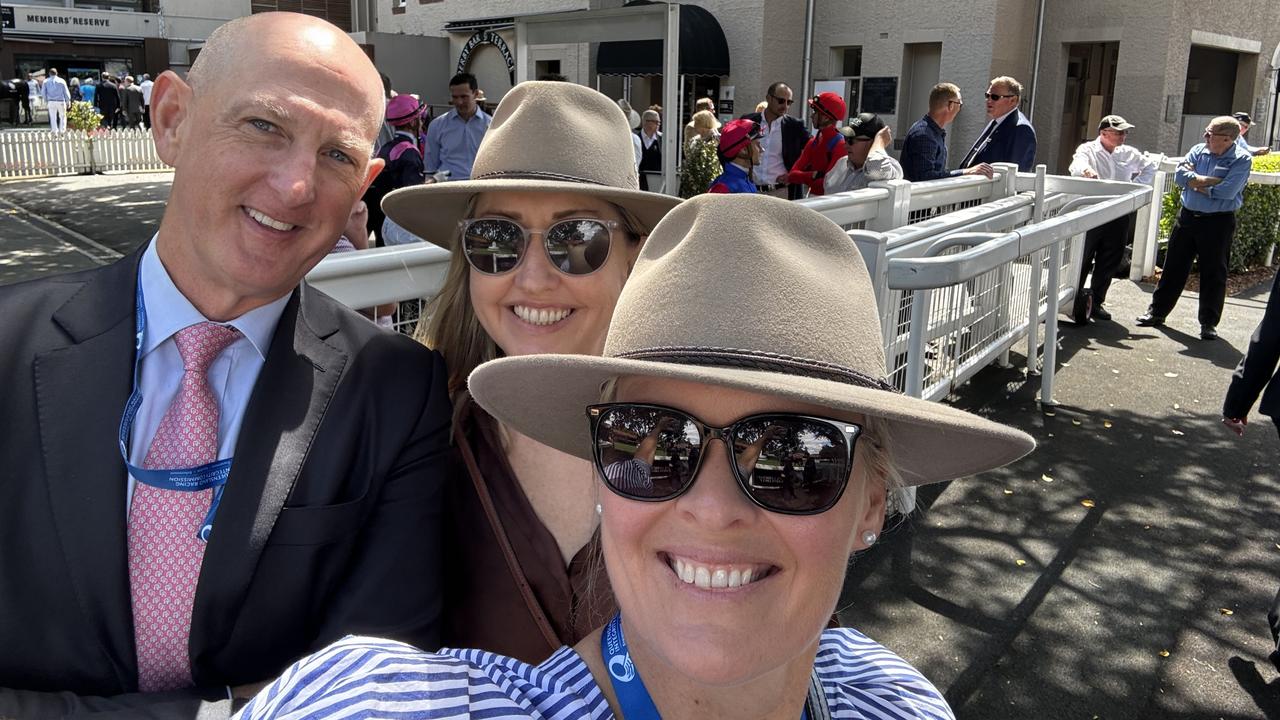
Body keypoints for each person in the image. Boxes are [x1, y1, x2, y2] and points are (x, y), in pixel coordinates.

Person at [239, 192, 1035, 720]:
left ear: (870, 503)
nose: (714, 508)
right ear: (600, 479)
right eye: (652, 444)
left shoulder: (896, 702)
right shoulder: (380, 704)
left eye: (793, 455)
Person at [0, 12, 451, 717]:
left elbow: (372, 693)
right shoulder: (8, 348)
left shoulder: (394, 393)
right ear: (172, 119)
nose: (297, 185)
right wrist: (216, 711)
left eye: (336, 156)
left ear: (364, 183)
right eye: (264, 126)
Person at [382, 80, 680, 664]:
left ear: (634, 253)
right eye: (496, 238)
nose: (534, 278)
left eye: (578, 239)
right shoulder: (422, 430)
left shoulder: (703, 434)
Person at [1137, 116, 1253, 340]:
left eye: (1210, 134)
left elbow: (1227, 192)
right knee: (1173, 267)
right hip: (1188, 217)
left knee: (1214, 272)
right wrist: (1211, 181)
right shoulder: (1198, 150)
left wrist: (1196, 182)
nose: (1205, 137)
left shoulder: (1241, 159)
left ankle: (1208, 323)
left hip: (1218, 222)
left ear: (1228, 139)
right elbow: (1181, 177)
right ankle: (1157, 312)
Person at [1067, 114, 1157, 322]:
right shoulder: (1088, 149)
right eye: (1118, 132)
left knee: (1110, 259)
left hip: (1119, 212)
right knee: (1082, 256)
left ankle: (1096, 302)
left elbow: (1150, 166)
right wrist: (1087, 171)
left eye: (1124, 132)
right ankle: (1073, 299)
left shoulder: (1128, 153)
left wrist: (1134, 189)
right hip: (1092, 210)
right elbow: (1077, 164)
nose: (1123, 136)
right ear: (1103, 133)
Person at [362, 92, 427, 242]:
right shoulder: (409, 152)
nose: (422, 122)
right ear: (412, 123)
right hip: (398, 221)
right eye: (419, 119)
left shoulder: (384, 148)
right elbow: (412, 194)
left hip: (380, 216)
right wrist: (434, 181)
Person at [900, 82, 994, 181]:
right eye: (960, 104)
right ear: (951, 105)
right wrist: (966, 172)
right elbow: (925, 178)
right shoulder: (924, 134)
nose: (959, 109)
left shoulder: (931, 131)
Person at [743, 82, 809, 198]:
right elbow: (728, 149)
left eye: (789, 102)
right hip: (751, 191)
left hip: (781, 192)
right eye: (781, 101)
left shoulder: (795, 126)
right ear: (768, 98)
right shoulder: (748, 121)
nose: (785, 106)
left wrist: (793, 175)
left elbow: (812, 153)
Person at [959, 76, 1037, 172]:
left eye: (995, 97)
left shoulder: (1021, 129)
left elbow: (1016, 174)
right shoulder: (996, 122)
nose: (989, 100)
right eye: (987, 96)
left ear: (1013, 100)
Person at [424, 72, 491, 182]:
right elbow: (430, 164)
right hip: (447, 187)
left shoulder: (490, 126)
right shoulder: (437, 125)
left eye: (464, 97)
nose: (459, 102)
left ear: (475, 94)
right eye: (455, 97)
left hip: (480, 186)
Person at [786, 91, 848, 197]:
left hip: (828, 202)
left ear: (826, 117)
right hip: (812, 198)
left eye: (815, 111)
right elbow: (792, 175)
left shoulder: (840, 145)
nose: (811, 116)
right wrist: (813, 175)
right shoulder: (813, 142)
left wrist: (806, 177)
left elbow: (827, 184)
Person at [825, 112, 904, 193]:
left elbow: (875, 168)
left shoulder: (890, 167)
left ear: (873, 142)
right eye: (846, 138)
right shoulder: (841, 163)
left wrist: (880, 140)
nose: (846, 146)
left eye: (851, 140)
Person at [708, 118, 761, 193]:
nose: (762, 150)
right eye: (758, 145)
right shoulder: (723, 187)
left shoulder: (745, 179)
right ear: (743, 150)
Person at [637, 108, 663, 191]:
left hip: (657, 183)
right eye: (655, 122)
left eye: (659, 122)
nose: (658, 125)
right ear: (645, 122)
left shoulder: (663, 139)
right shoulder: (636, 138)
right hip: (639, 182)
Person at [41, 67, 70, 133]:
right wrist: (68, 101)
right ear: (57, 73)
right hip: (61, 101)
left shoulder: (45, 81)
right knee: (62, 116)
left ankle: (54, 131)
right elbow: (66, 92)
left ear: (49, 73)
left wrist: (46, 100)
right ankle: (62, 131)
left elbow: (43, 92)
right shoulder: (62, 81)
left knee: (52, 116)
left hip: (51, 101)